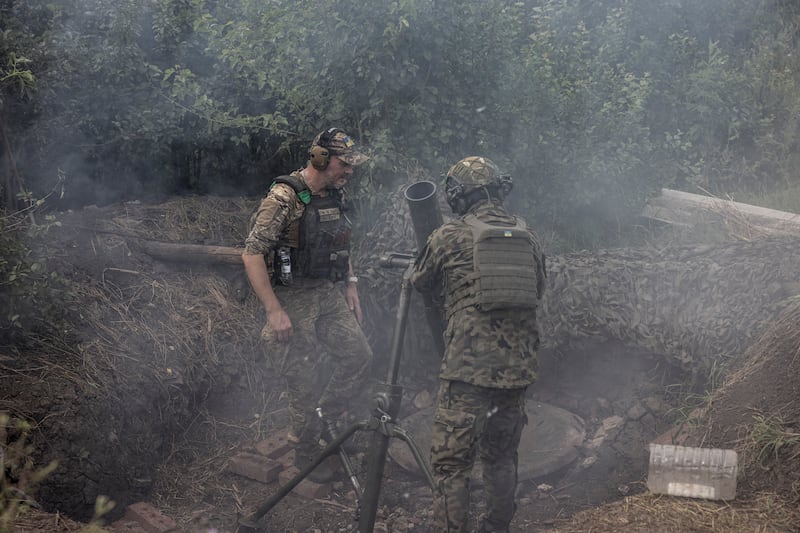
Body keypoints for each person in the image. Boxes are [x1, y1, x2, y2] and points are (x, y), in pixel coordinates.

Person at [410, 156, 547, 533]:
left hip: (467, 373)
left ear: (457, 196)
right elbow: (538, 290)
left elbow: (419, 282)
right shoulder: (529, 236)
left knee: (452, 465)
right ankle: (495, 527)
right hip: (517, 372)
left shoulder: (448, 236)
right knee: (502, 457)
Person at [242, 127, 374, 482]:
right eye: (344, 164)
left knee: (359, 356)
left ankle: (324, 419)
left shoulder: (334, 194)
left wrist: (351, 283)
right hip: (293, 295)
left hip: (326, 291)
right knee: (302, 379)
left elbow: (339, 241)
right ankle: (305, 449)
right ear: (320, 158)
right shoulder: (284, 198)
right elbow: (252, 254)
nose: (349, 171)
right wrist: (274, 310)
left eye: (351, 165)